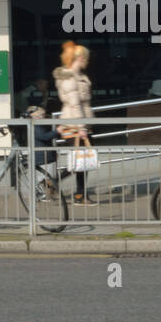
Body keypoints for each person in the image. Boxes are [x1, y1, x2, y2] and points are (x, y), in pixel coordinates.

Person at [53, 40, 95, 204]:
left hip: (80, 124)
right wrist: (81, 126)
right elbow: (75, 103)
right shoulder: (70, 78)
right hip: (74, 125)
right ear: (79, 58)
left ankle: (76, 192)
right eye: (85, 57)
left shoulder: (79, 76)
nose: (87, 60)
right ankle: (75, 192)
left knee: (83, 162)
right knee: (80, 161)